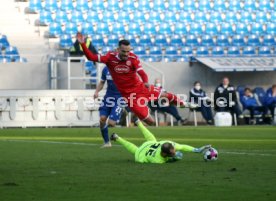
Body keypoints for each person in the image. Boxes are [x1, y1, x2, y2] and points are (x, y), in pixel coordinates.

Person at [77, 33, 193, 125]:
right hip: (129, 97)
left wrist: (146, 82)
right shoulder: (109, 57)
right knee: (150, 122)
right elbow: (91, 57)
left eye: (128, 51)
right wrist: (82, 44)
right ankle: (139, 115)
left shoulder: (133, 58)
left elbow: (142, 72)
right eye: (124, 51)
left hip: (140, 88)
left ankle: (183, 103)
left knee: (164, 94)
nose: (127, 54)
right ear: (118, 49)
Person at [110, 119, 211, 164]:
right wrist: (174, 159)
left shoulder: (166, 143)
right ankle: (117, 138)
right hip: (142, 154)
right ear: (164, 153)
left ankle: (138, 123)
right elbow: (168, 160)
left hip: (151, 145)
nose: (174, 152)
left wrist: (196, 150)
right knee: (135, 150)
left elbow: (182, 146)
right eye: (172, 153)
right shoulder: (158, 160)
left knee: (152, 139)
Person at [94, 66, 125, 148]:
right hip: (108, 97)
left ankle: (123, 111)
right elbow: (102, 82)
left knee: (111, 123)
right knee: (102, 119)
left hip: (120, 98)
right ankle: (107, 142)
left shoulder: (123, 68)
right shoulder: (105, 69)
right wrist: (96, 91)